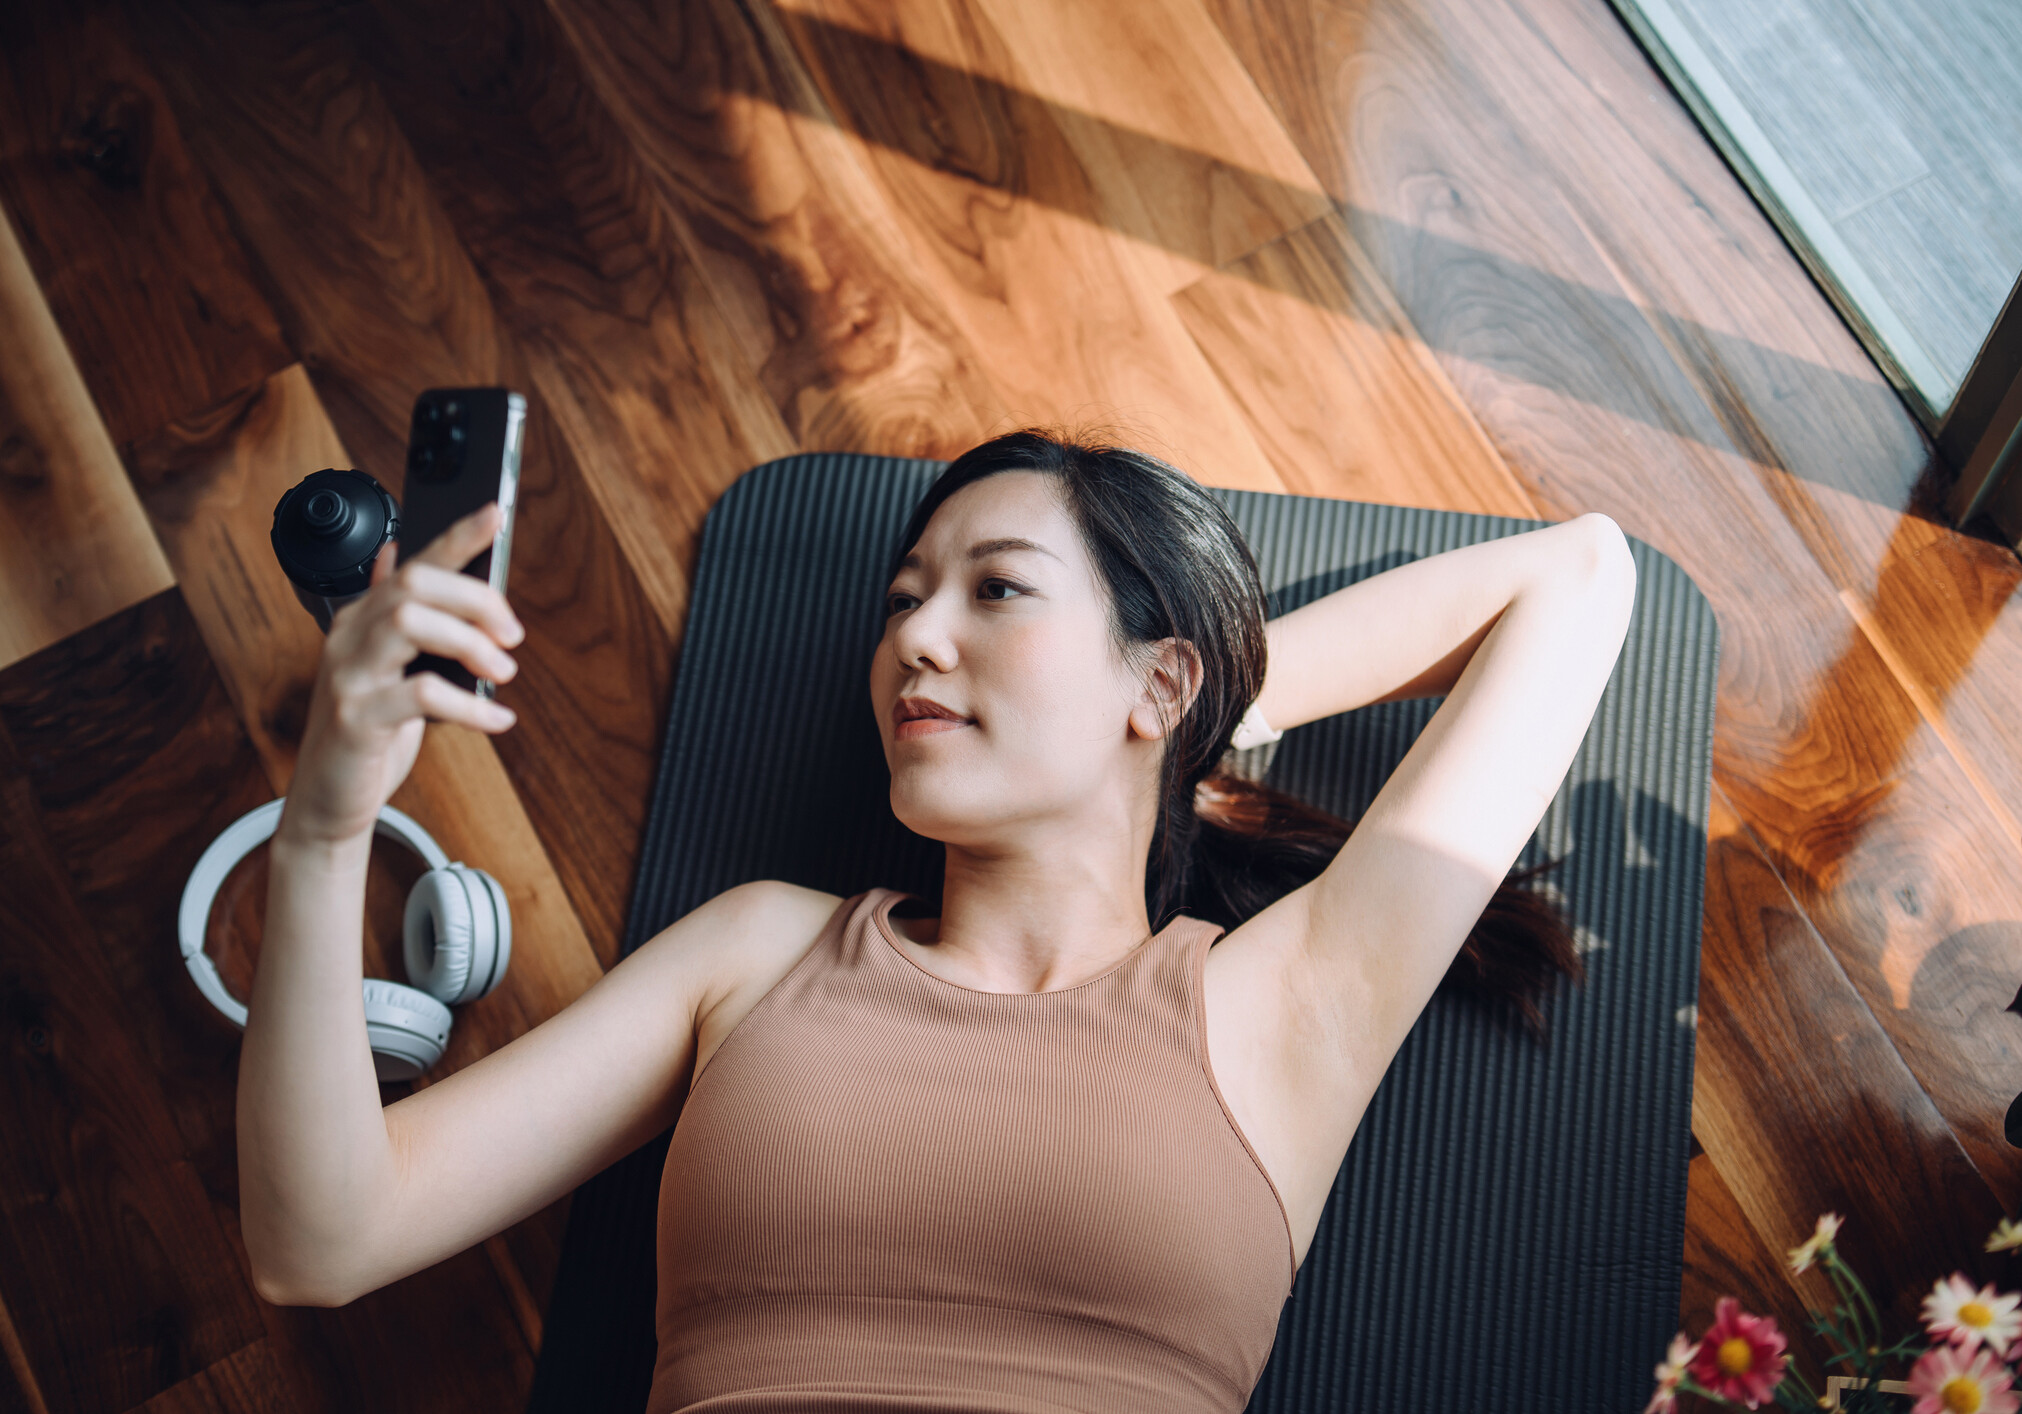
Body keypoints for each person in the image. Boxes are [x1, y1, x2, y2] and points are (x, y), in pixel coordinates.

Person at [237, 429, 1636, 1411]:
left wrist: (1183, 715)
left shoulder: (1279, 1005)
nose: (914, 633)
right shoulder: (759, 953)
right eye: (902, 601)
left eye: (996, 589)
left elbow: (1573, 579)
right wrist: (324, 822)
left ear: (1157, 674)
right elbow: (320, 1239)